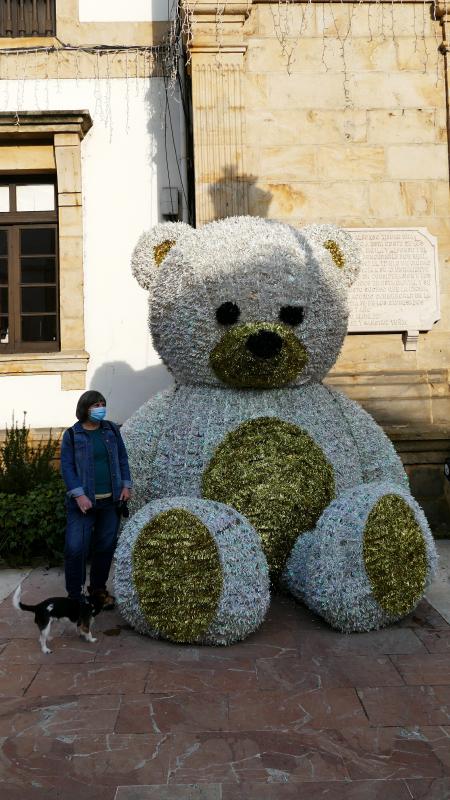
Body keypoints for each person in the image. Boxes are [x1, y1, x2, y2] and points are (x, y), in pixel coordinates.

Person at [60, 390, 132, 608]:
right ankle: (75, 596)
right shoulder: (72, 435)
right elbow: (67, 467)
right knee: (75, 548)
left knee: (105, 547)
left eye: (102, 404)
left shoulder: (111, 430)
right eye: (95, 405)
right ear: (85, 408)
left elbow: (122, 458)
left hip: (111, 502)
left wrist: (126, 485)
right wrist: (79, 495)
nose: (100, 408)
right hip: (82, 504)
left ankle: (98, 590)